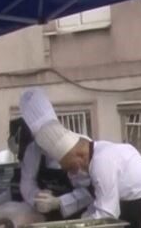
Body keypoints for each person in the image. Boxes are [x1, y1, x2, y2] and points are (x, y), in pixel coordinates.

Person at [32, 118, 141, 228]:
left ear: (79, 155)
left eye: (71, 167)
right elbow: (96, 196)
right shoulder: (98, 154)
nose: (72, 173)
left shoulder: (102, 160)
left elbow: (107, 214)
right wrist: (61, 204)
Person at [18, 88, 96, 220]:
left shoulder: (80, 145)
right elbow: (26, 182)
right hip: (48, 218)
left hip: (80, 215)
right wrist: (37, 197)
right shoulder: (33, 150)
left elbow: (91, 191)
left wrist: (60, 202)